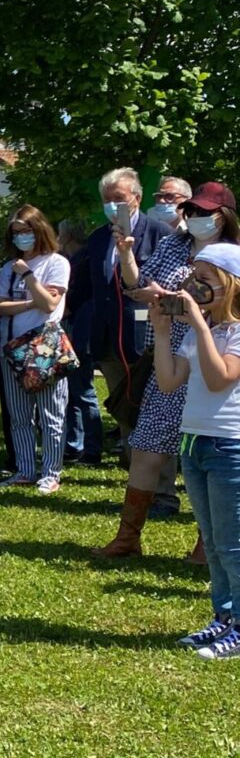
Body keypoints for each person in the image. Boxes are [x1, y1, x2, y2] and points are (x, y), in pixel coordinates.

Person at [94, 181, 238, 557]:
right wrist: (127, 256)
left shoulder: (235, 256)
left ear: (224, 217)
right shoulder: (174, 242)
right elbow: (138, 283)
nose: (193, 218)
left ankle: (206, 544)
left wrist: (181, 302)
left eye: (203, 212)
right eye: (190, 211)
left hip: (217, 355)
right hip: (168, 356)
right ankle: (128, 538)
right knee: (146, 449)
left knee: (210, 454)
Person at [151, 244, 240, 660]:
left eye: (206, 277)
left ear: (230, 284)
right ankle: (223, 617)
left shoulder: (235, 331)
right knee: (213, 541)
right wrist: (165, 331)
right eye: (194, 276)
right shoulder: (194, 329)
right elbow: (169, 382)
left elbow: (221, 377)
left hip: (230, 445)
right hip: (194, 441)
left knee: (233, 543)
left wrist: (201, 326)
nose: (196, 285)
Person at [84, 168, 172, 455]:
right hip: (109, 339)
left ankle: (158, 486)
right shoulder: (97, 238)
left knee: (151, 409)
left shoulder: (161, 234)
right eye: (106, 199)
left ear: (136, 198)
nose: (112, 204)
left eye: (118, 198)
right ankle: (133, 476)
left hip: (145, 338)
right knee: (124, 408)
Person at [0, 206, 72, 494]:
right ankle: (25, 469)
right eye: (16, 233)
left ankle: (51, 473)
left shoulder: (56, 263)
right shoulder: (7, 267)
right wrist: (29, 303)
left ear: (39, 230)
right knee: (19, 415)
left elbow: (50, 304)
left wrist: (28, 275)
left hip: (45, 348)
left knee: (51, 413)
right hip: (11, 348)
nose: (21, 238)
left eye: (26, 232)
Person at [58, 220, 104, 465]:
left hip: (80, 332)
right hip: (76, 330)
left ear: (67, 235)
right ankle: (75, 444)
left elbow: (73, 300)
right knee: (74, 391)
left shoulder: (82, 262)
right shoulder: (77, 259)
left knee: (83, 390)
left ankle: (92, 447)